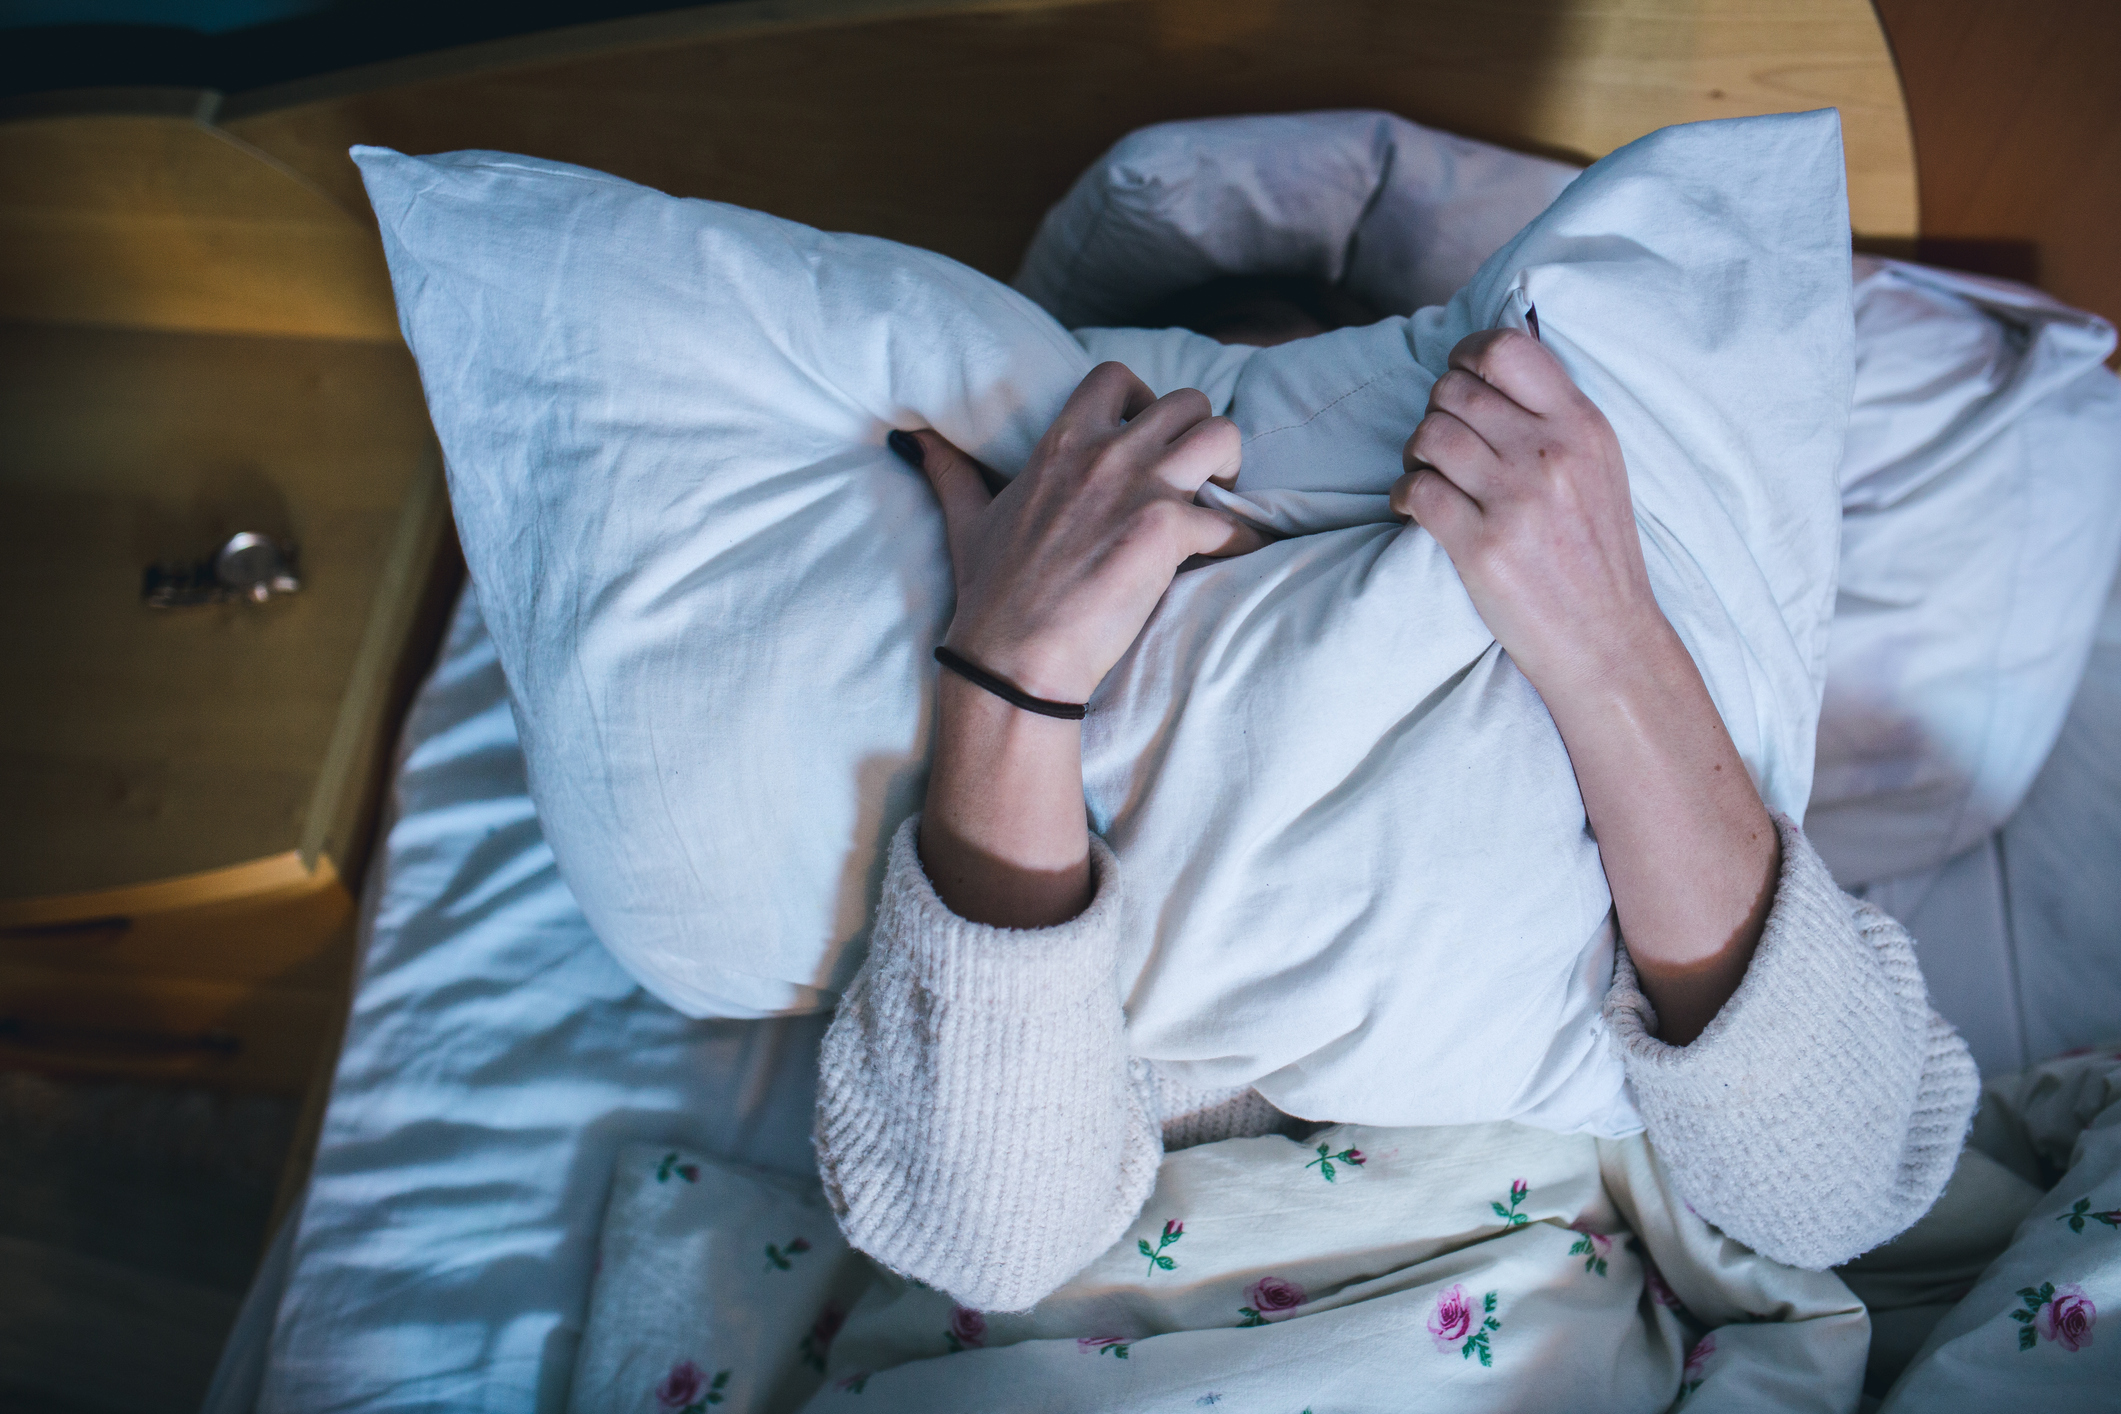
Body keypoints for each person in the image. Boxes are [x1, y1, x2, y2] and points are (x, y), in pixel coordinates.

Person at [814, 315, 1980, 1314]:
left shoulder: (1555, 794)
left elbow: (1842, 1181)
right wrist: (1014, 673)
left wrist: (1606, 636)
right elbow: (981, 1240)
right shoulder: (1040, 820)